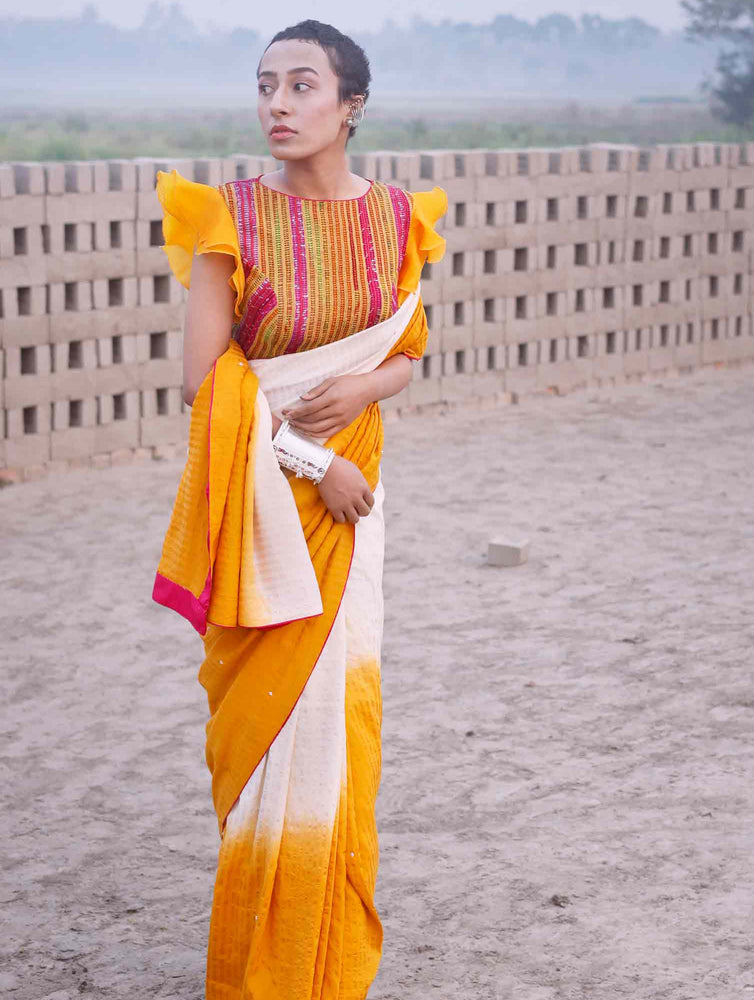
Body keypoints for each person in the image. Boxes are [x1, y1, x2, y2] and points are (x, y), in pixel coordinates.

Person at [150, 19, 447, 999]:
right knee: (273, 748)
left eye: (301, 85)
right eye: (265, 84)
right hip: (270, 518)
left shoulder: (401, 218)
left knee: (341, 738)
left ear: (349, 104)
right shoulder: (226, 217)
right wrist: (311, 459)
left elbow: (409, 346)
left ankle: (320, 968)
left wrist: (365, 392)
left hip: (352, 514)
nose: (277, 103)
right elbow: (208, 387)